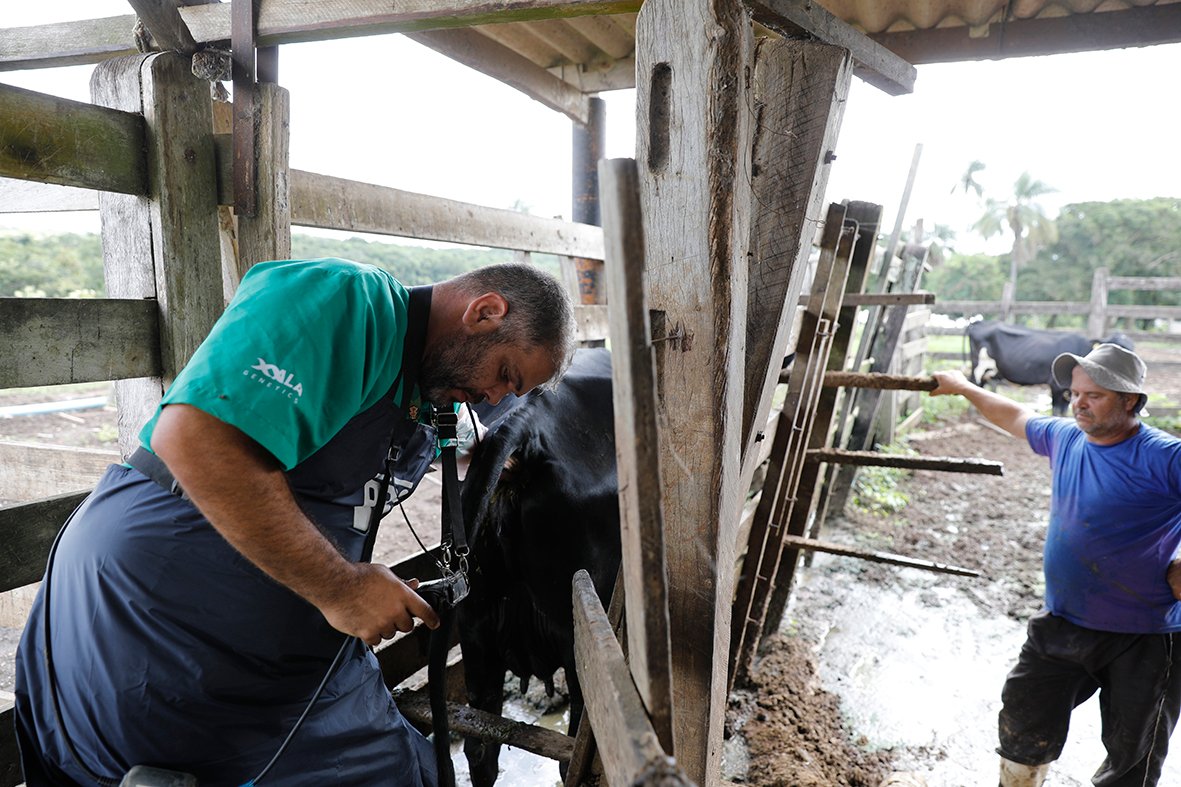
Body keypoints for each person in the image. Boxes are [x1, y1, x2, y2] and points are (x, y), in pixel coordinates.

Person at [14, 258, 576, 786]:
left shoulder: (428, 390)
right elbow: (193, 438)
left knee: (419, 771)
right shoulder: (349, 303)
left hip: (289, 645)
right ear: (484, 312)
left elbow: (450, 442)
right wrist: (341, 587)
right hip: (158, 618)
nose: (491, 397)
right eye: (504, 373)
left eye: (510, 392)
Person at [930, 342, 1181, 787]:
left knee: (1132, 760)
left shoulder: (1164, 456)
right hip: (1064, 621)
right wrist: (965, 387)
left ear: (1130, 401)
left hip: (1146, 636)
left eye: (1095, 395)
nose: (1078, 402)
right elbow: (1013, 416)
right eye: (1076, 392)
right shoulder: (1066, 438)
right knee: (1024, 720)